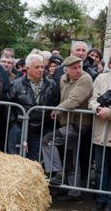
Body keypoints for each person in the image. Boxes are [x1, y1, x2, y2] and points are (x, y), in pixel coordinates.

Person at [41, 56, 93, 201]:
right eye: (74, 68)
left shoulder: (86, 79)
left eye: (79, 67)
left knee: (47, 141)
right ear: (67, 70)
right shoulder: (63, 78)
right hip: (67, 122)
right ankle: (75, 192)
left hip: (78, 124)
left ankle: (56, 173)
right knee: (70, 158)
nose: (78, 70)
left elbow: (74, 100)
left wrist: (57, 109)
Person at [5, 54, 59, 160]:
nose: (40, 70)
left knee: (36, 159)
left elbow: (56, 102)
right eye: (37, 67)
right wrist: (13, 122)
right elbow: (8, 105)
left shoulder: (51, 84)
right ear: (27, 68)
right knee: (15, 157)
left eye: (42, 67)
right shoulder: (16, 84)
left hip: (42, 127)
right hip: (20, 125)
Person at [89, 67, 111, 210]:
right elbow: (92, 99)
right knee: (100, 169)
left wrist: (109, 112)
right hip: (101, 132)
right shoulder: (101, 78)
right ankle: (100, 199)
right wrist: (97, 108)